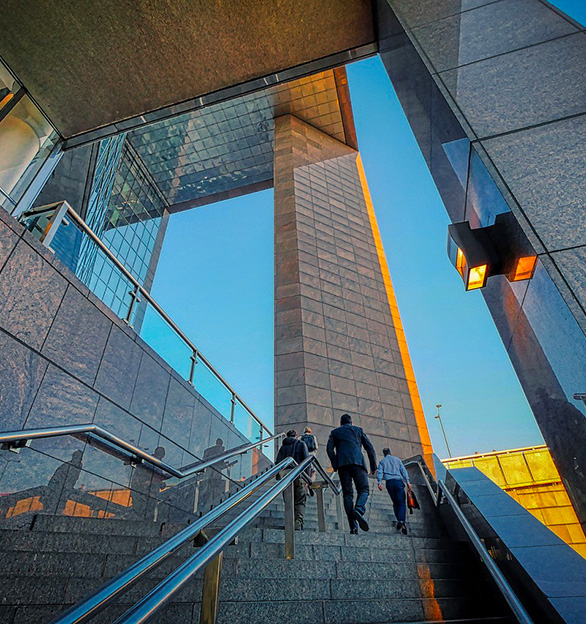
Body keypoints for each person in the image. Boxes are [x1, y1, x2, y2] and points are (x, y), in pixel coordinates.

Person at [327, 414, 376, 534]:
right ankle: (359, 508)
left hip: (343, 465)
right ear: (351, 422)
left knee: (348, 494)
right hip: (358, 463)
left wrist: (335, 463)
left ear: (341, 423)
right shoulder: (358, 430)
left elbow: (329, 449)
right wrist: (373, 466)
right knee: (364, 489)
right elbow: (370, 448)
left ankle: (353, 527)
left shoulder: (335, 432)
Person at [276, 430, 309, 530]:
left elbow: (278, 462)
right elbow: (306, 460)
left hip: (285, 477)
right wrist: (307, 477)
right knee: (300, 500)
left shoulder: (282, 447)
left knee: (288, 500)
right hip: (298, 475)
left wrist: (278, 477)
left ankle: (289, 522)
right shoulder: (301, 444)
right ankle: (298, 521)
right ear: (296, 435)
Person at [377, 447, 411, 534]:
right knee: (401, 503)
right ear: (390, 452)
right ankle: (401, 520)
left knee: (395, 502)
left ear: (384, 454)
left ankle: (399, 520)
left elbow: (380, 472)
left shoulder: (382, 461)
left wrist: (379, 483)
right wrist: (408, 482)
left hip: (389, 483)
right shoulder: (397, 460)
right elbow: (403, 471)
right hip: (398, 482)